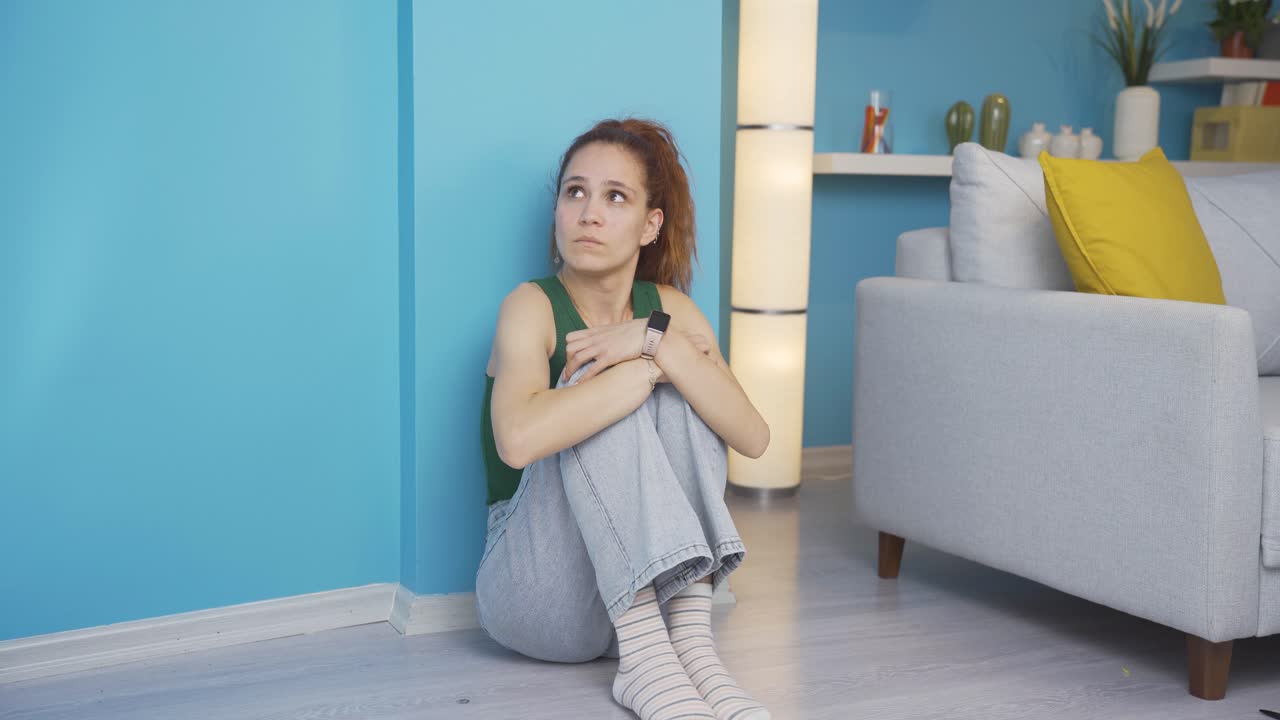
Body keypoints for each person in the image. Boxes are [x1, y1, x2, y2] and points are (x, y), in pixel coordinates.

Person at [476, 118, 772, 720]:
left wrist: (657, 343)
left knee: (685, 385)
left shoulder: (669, 309)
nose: (589, 214)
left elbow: (753, 435)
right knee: (607, 385)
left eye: (615, 197)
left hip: (654, 594)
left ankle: (692, 650)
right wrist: (650, 364)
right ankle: (646, 664)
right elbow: (518, 439)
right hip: (537, 596)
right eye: (575, 192)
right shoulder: (530, 306)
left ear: (649, 224)